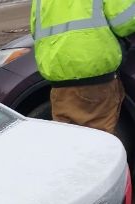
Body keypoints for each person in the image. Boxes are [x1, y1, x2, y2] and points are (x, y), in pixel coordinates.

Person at [31, 0, 135, 134]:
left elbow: (35, 31)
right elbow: (126, 23)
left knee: (69, 138)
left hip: (59, 80)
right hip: (94, 73)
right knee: (99, 138)